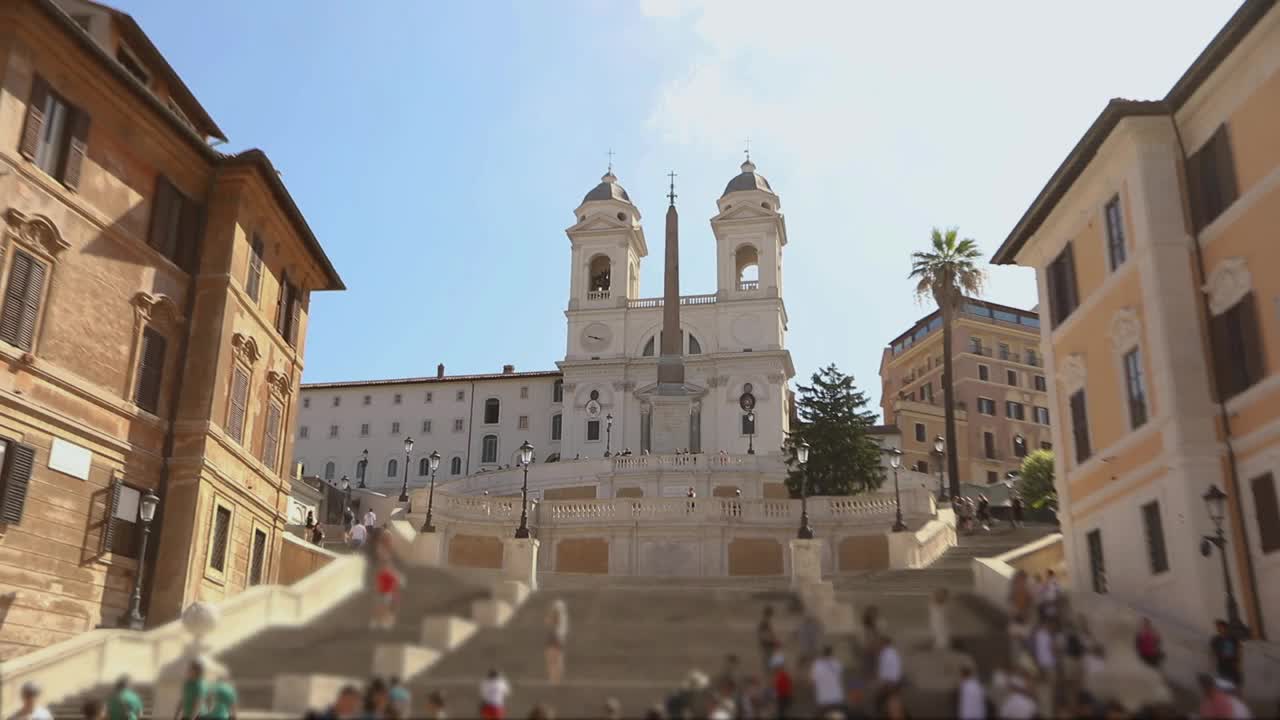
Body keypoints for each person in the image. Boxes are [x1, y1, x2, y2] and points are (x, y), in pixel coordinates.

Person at [810, 645, 845, 716]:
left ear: (822, 653)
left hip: (823, 699)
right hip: (837, 697)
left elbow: (812, 681)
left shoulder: (817, 665)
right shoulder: (836, 663)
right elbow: (841, 677)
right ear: (831, 653)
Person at [1210, 619, 1243, 687]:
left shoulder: (1232, 638)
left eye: (1220, 627)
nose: (1219, 629)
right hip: (1222, 665)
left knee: (1236, 683)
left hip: (1232, 664)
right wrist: (1214, 662)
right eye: (1218, 627)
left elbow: (1239, 649)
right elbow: (1213, 652)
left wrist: (1238, 663)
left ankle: (1237, 697)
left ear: (1225, 627)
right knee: (1224, 684)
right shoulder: (1216, 640)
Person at [373, 556, 403, 629]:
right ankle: (380, 620)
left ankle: (384, 620)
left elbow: (399, 582)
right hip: (383, 593)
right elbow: (378, 583)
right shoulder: (382, 574)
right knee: (381, 604)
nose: (387, 567)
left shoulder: (393, 574)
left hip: (388, 593)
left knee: (385, 604)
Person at [545, 598, 569, 684]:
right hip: (556, 639)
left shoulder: (557, 619)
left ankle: (555, 679)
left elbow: (548, 622)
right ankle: (555, 679)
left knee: (553, 661)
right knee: (556, 661)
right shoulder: (562, 620)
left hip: (554, 639)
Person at [768, 653, 793, 720]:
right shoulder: (782, 676)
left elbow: (780, 691)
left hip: (782, 700)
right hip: (783, 700)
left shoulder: (781, 677)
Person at [757, 605, 779, 672]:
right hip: (767, 646)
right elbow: (764, 636)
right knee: (768, 664)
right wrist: (773, 641)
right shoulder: (764, 623)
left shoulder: (766, 623)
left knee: (769, 663)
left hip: (768, 645)